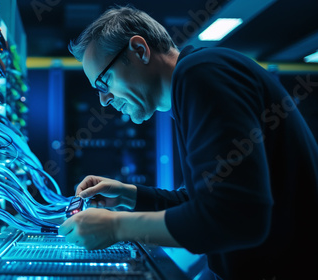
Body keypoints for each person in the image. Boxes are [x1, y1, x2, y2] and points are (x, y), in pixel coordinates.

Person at [58, 5, 318, 280]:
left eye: (103, 82)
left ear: (139, 50)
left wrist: (116, 227)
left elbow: (236, 216)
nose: (104, 99)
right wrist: (129, 194)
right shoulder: (196, 82)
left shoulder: (204, 74)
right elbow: (202, 202)